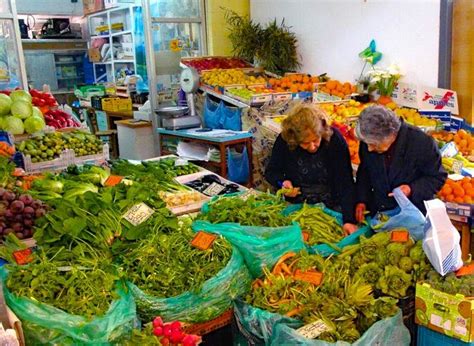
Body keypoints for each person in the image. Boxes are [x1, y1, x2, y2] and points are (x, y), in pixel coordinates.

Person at [265, 103, 358, 234]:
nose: (312, 146)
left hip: (332, 205)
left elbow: (346, 183)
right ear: (295, 139)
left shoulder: (334, 139)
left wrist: (349, 219)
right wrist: (282, 183)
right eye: (305, 143)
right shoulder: (285, 140)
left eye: (315, 140)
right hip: (297, 206)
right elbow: (271, 172)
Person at [355, 105, 447, 222]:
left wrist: (411, 189)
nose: (369, 149)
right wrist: (362, 199)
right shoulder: (369, 139)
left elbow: (437, 177)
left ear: (390, 135)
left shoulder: (422, 143)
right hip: (380, 212)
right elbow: (365, 172)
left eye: (374, 145)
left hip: (414, 215)